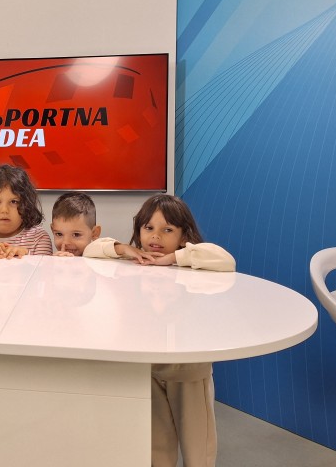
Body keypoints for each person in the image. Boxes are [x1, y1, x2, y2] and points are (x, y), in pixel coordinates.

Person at [84, 194, 235, 467]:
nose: (155, 236)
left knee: (198, 450)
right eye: (149, 228)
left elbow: (225, 260)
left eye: (167, 230)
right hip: (150, 369)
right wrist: (125, 250)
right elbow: (91, 250)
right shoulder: (134, 263)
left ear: (183, 235)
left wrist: (173, 258)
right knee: (157, 449)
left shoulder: (191, 262)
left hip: (189, 372)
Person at [50, 191, 102, 256]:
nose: (66, 242)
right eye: (59, 234)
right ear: (52, 230)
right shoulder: (55, 259)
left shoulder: (99, 256)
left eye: (76, 234)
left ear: (94, 233)